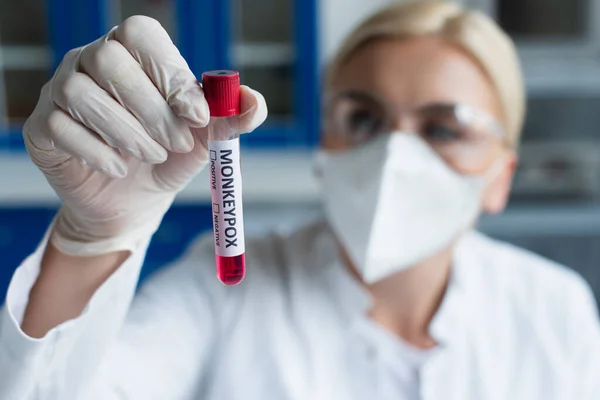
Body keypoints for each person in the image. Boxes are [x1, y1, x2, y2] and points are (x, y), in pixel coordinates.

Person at [1, 1, 599, 399]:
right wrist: (96, 235)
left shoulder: (554, 311)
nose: (394, 155)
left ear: (501, 177)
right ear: (325, 146)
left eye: (444, 128)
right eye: (362, 118)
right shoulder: (222, 288)